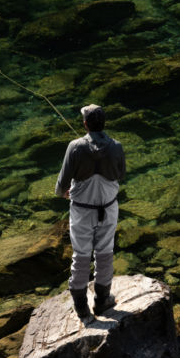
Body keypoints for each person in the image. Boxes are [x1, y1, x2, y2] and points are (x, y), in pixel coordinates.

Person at [55, 103, 126, 323]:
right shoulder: (117, 146)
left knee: (81, 256)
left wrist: (65, 193)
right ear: (103, 123)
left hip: (82, 212)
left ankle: (82, 309)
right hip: (108, 208)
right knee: (105, 253)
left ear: (85, 124)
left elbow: (61, 186)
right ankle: (102, 301)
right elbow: (120, 175)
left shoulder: (74, 147)